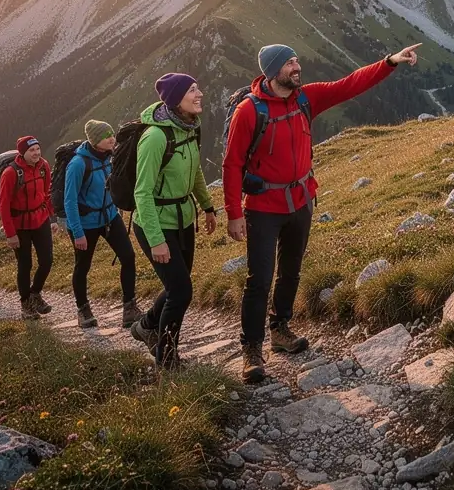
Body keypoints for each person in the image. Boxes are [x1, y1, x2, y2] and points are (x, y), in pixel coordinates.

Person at [224, 43, 421, 383]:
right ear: (273, 71)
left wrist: (389, 62)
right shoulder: (249, 111)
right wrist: (233, 214)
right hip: (263, 208)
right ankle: (251, 350)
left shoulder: (305, 98)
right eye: (289, 63)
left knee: (291, 273)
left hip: (301, 201)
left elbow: (349, 85)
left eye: (297, 59)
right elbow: (231, 164)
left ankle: (280, 329)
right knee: (259, 280)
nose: (297, 67)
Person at [130, 73, 216, 368]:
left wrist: (207, 206)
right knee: (181, 291)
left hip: (183, 220)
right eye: (193, 90)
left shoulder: (190, 127)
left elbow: (196, 171)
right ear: (176, 99)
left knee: (176, 287)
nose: (200, 93)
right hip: (155, 222)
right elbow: (141, 193)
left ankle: (145, 325)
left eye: (198, 87)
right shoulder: (155, 138)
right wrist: (156, 240)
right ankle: (166, 358)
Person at [65, 120, 142, 329]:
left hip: (109, 216)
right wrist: (78, 232)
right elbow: (69, 201)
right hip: (85, 223)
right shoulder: (78, 164)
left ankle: (129, 308)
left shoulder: (111, 157)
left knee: (128, 256)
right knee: (83, 266)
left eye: (111, 134)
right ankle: (83, 309)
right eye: (106, 136)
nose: (111, 138)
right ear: (94, 140)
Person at [0, 136, 57, 321]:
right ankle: (26, 304)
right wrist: (10, 234)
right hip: (20, 225)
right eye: (32, 150)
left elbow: (47, 193)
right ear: (23, 153)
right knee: (25, 265)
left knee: (47, 261)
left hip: (40, 220)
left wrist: (52, 218)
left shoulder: (44, 166)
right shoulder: (10, 173)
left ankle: (35, 293)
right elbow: (3, 205)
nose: (36, 153)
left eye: (38, 149)